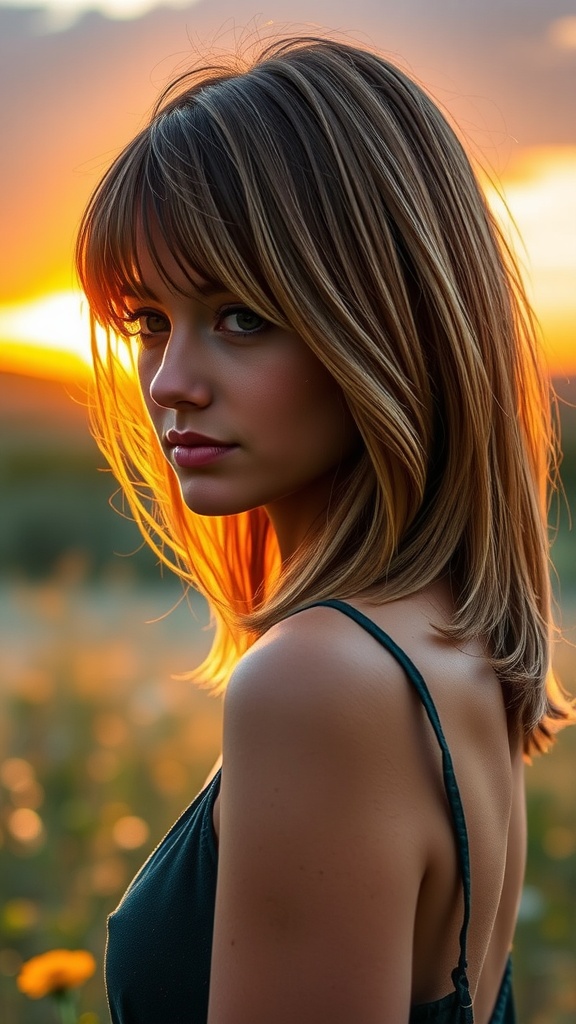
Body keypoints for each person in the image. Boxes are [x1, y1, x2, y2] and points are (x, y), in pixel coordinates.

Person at [75, 34, 573, 1024]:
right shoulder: (447, 641)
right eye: (147, 322)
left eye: (243, 317)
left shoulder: (319, 680)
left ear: (386, 323)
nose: (170, 381)